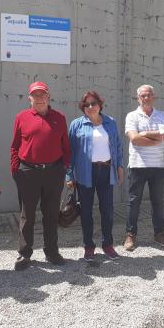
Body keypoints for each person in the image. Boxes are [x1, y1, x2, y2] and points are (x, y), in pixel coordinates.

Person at [10, 81, 70, 270]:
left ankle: (51, 252)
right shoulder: (22, 117)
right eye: (35, 95)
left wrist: (64, 168)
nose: (39, 98)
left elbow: (66, 147)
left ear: (48, 96)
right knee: (27, 215)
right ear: (29, 98)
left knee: (51, 214)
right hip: (28, 172)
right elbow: (15, 146)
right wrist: (15, 170)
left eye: (42, 94)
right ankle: (24, 253)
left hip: (53, 172)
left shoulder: (59, 118)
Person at [66, 91, 123, 261]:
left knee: (107, 210)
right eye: (87, 104)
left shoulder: (110, 122)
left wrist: (119, 166)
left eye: (93, 103)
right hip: (85, 172)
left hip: (106, 171)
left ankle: (108, 245)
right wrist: (69, 175)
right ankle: (89, 247)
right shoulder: (77, 124)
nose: (90, 107)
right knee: (86, 212)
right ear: (83, 107)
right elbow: (70, 152)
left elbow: (118, 146)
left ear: (100, 104)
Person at [123, 84, 164, 251]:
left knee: (158, 202)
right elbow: (134, 139)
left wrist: (143, 134)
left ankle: (159, 233)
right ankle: (130, 235)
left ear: (154, 96)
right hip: (137, 165)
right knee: (133, 202)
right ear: (138, 98)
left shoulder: (162, 115)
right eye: (143, 95)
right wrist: (155, 138)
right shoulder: (132, 116)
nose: (146, 98)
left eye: (149, 94)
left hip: (157, 166)